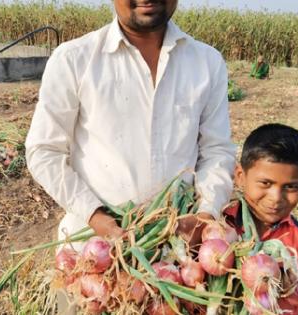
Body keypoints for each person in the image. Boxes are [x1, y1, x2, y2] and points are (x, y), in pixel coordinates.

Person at [26, 0, 236, 249]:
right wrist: (96, 216)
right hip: (94, 248)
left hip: (179, 248)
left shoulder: (207, 62)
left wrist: (206, 215)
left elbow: (217, 150)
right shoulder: (74, 59)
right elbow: (44, 150)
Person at [225, 123, 298, 313]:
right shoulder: (218, 227)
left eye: (291, 187)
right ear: (240, 176)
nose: (276, 198)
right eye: (265, 183)